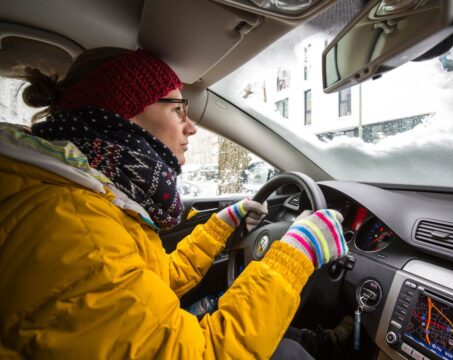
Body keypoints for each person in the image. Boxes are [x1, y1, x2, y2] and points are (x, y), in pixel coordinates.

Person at [0, 47, 348, 359]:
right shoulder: (77, 228)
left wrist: (220, 227)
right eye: (179, 110)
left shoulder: (88, 200)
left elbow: (152, 280)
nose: (191, 127)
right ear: (125, 112)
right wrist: (295, 254)